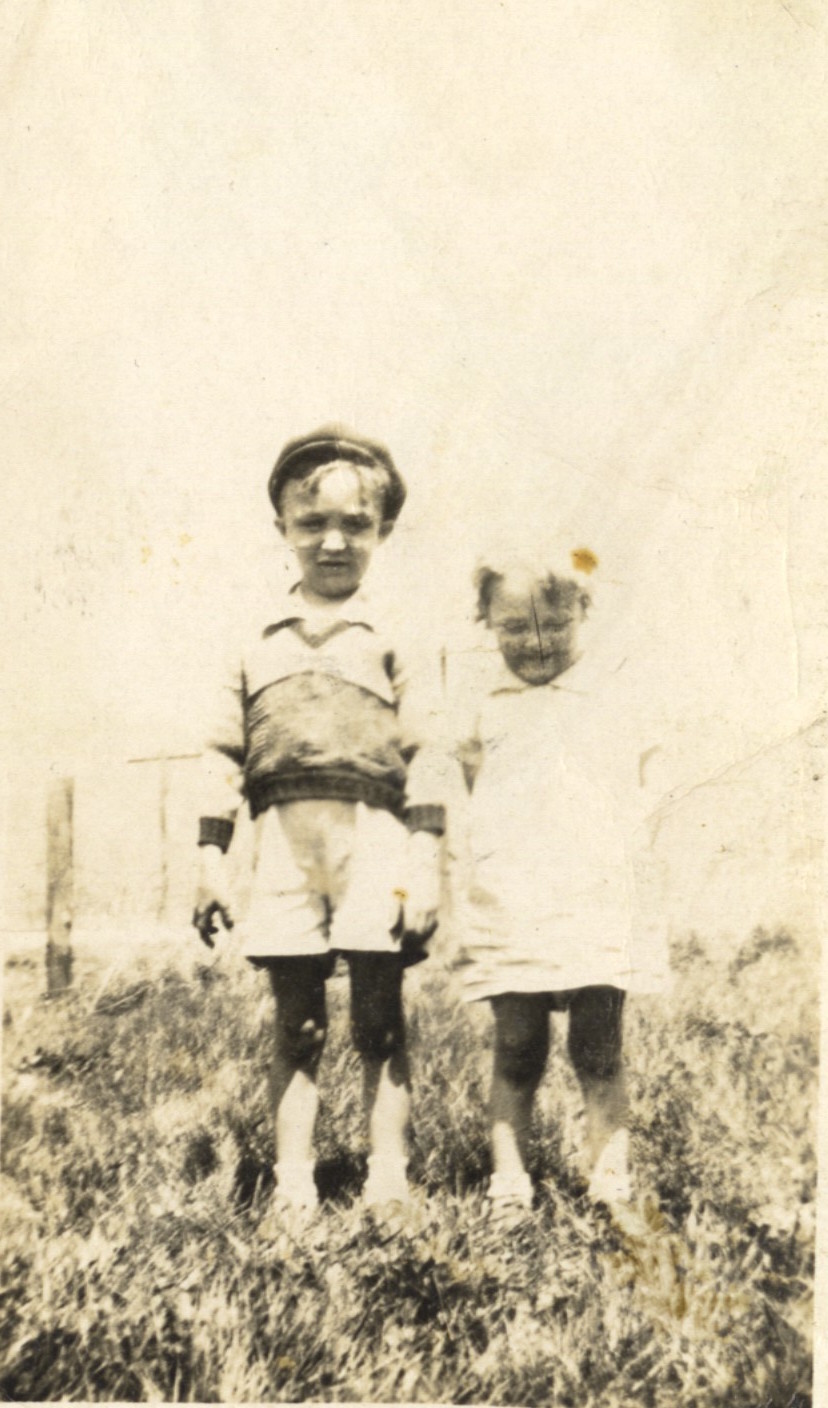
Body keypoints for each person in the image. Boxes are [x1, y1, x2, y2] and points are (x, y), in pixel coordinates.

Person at [192, 426, 444, 1216]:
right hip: (283, 848)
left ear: (383, 530)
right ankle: (294, 1185)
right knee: (296, 1025)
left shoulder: (396, 636)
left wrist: (425, 862)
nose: (333, 542)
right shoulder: (252, 641)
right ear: (283, 527)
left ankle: (388, 1178)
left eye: (355, 525)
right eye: (312, 524)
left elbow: (429, 754)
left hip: (376, 844)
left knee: (380, 1021)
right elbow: (221, 753)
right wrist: (210, 861)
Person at [450, 550, 668, 1216]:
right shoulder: (484, 703)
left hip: (595, 898)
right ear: (486, 621)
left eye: (555, 623)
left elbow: (653, 778)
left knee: (597, 1045)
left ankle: (610, 1177)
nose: (536, 642)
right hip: (512, 901)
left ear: (583, 611)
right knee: (518, 1046)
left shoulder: (613, 693)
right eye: (514, 626)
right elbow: (469, 789)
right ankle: (508, 1182)